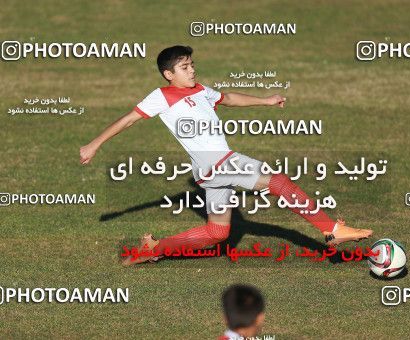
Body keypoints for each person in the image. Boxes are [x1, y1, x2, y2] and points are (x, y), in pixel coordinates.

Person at [79, 45, 373, 265]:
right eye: (184, 67)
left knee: (217, 233)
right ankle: (332, 229)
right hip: (217, 161)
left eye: (192, 64)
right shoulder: (161, 96)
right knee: (279, 182)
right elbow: (129, 119)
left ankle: (154, 249)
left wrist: (266, 101)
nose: (192, 70)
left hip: (209, 170)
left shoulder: (200, 89)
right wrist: (95, 144)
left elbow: (228, 98)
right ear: (169, 74)